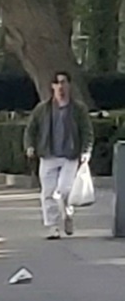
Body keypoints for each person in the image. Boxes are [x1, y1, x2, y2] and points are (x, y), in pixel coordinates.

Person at [24, 71, 93, 240]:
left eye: (63, 82)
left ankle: (67, 213)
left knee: (63, 190)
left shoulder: (78, 109)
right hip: (48, 155)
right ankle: (52, 227)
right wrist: (30, 146)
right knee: (48, 192)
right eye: (57, 83)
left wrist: (86, 151)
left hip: (70, 155)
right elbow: (31, 129)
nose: (60, 86)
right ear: (52, 87)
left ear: (69, 85)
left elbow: (87, 131)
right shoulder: (43, 109)